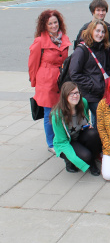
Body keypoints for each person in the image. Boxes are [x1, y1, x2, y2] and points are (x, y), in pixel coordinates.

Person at [28, 10, 71, 153]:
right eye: (50, 23)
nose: (54, 25)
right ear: (44, 25)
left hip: (61, 79)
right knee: (49, 113)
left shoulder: (63, 38)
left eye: (55, 22)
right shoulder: (40, 41)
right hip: (46, 80)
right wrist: (35, 83)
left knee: (63, 110)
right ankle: (51, 143)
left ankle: (62, 137)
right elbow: (33, 64)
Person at [51, 82, 102, 175]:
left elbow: (85, 118)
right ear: (64, 96)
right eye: (71, 93)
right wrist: (78, 162)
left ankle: (92, 163)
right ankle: (69, 162)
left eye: (77, 92)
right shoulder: (57, 115)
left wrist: (87, 125)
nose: (75, 96)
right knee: (86, 156)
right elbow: (62, 142)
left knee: (93, 134)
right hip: (66, 142)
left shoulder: (83, 103)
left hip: (79, 135)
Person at [69, 19, 110, 127]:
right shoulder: (81, 50)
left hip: (100, 92)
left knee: (101, 122)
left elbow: (107, 69)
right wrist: (93, 85)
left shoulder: (103, 48)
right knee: (99, 121)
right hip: (88, 94)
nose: (100, 34)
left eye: (103, 32)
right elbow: (74, 73)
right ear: (91, 31)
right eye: (97, 31)